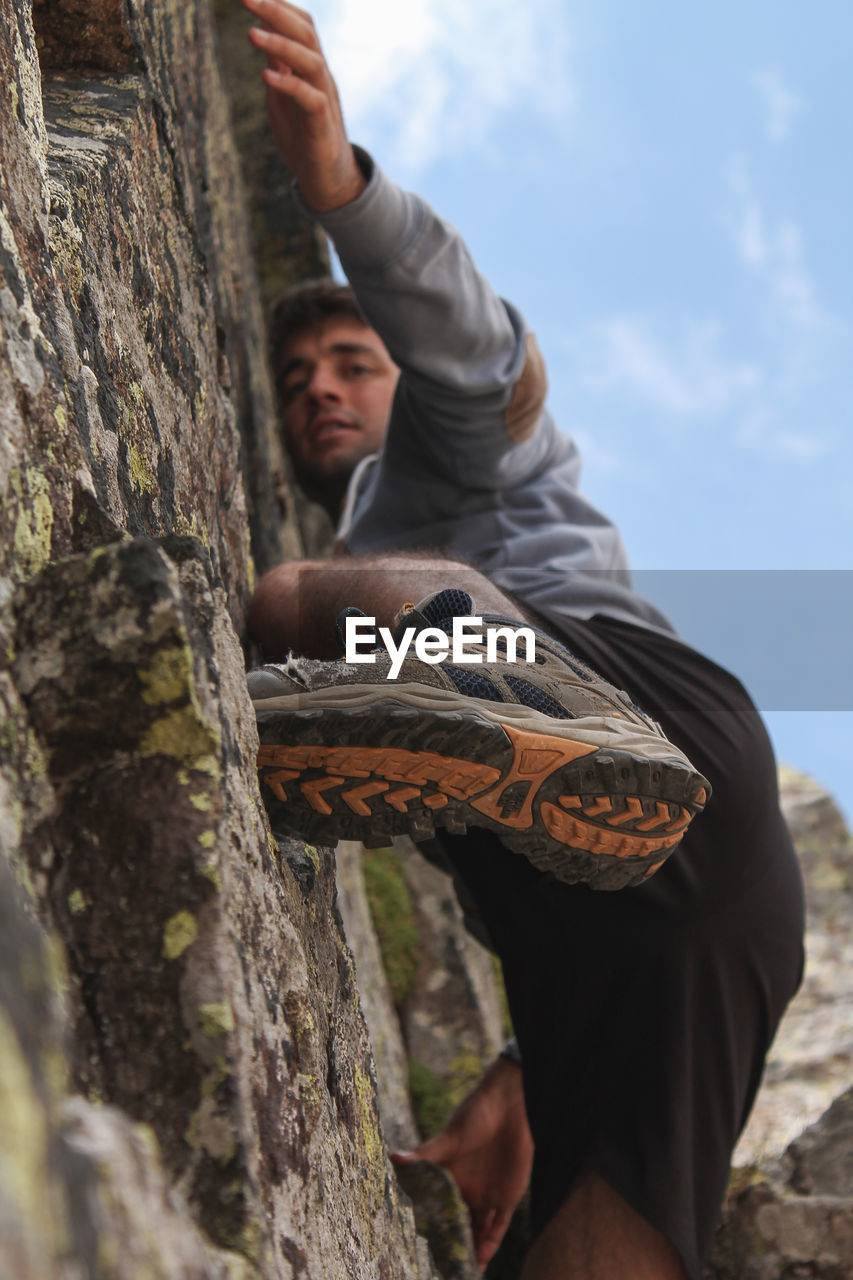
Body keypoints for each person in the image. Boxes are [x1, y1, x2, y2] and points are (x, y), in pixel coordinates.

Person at [241, 3, 806, 1277]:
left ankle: (527, 701)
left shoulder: (475, 444)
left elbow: (476, 349)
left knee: (285, 609)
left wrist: (341, 189)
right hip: (678, 925)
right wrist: (520, 1061)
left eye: (349, 361)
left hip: (664, 728)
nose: (320, 388)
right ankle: (520, 731)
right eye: (295, 382)